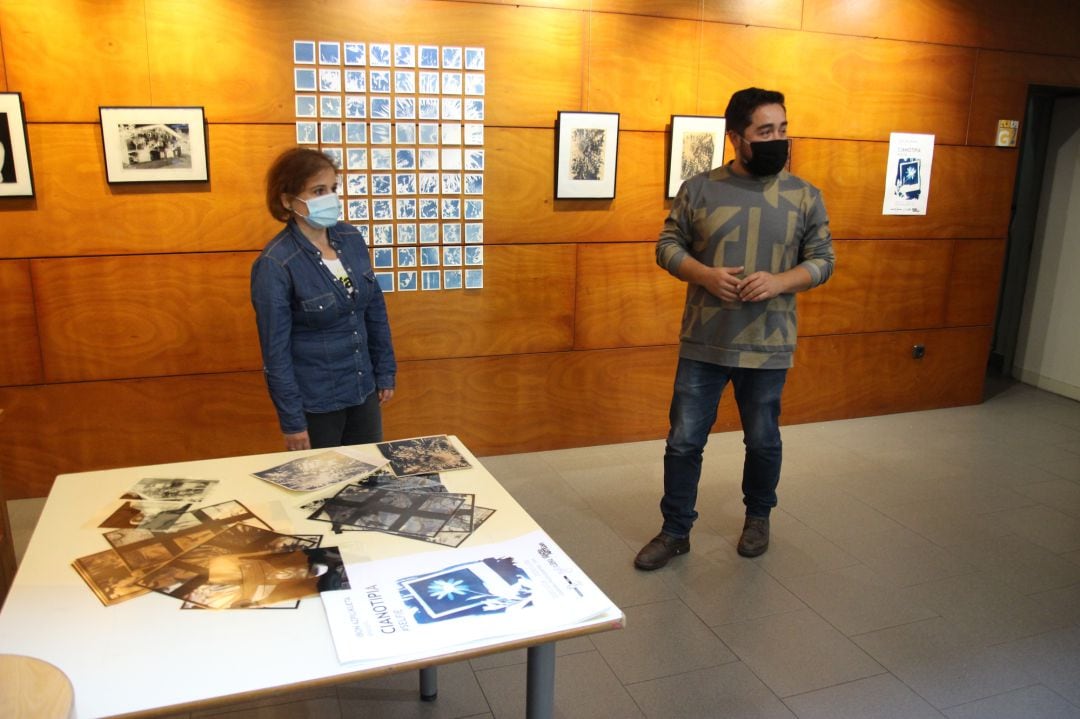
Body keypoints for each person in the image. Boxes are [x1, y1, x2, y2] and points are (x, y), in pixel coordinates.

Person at [634, 88, 835, 570]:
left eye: (782, 129)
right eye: (764, 131)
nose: (777, 140)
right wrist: (704, 274)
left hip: (769, 345)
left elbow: (823, 261)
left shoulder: (805, 196)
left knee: (763, 440)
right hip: (705, 341)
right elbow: (667, 245)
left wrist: (780, 281)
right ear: (735, 138)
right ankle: (675, 530)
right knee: (683, 441)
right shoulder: (699, 189)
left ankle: (758, 518)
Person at [252, 147, 396, 451]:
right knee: (325, 487)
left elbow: (374, 309)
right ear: (288, 200)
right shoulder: (275, 263)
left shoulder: (351, 239)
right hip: (317, 402)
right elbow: (275, 353)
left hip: (362, 389)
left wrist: (385, 371)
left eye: (333, 189)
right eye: (318, 191)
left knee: (368, 480)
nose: (330, 198)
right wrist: (292, 421)